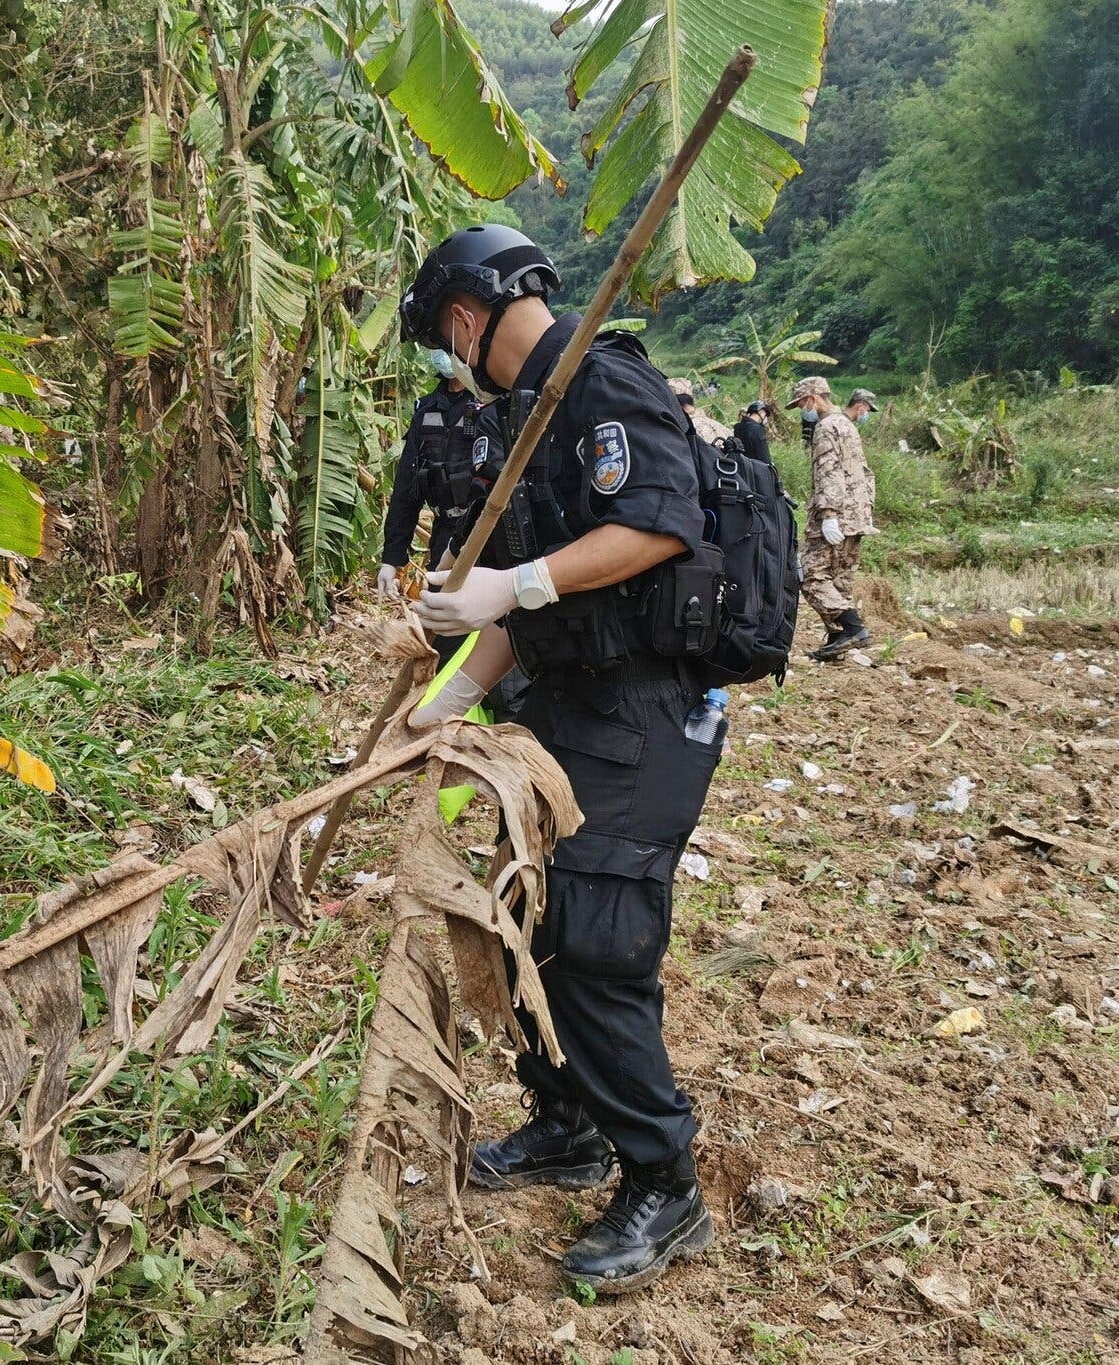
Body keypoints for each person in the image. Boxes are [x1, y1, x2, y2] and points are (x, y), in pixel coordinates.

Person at [398, 223, 721, 1293]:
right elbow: (514, 619)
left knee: (594, 936)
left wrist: (515, 582)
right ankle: (566, 1122)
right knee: (528, 911)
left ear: (461, 318)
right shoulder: (524, 420)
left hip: (646, 712)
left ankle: (664, 1185)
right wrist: (441, 707)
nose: (446, 368)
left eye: (440, 347)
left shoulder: (598, 381)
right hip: (566, 704)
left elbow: (658, 525)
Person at [377, 357, 481, 665]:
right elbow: (406, 491)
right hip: (445, 535)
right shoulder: (427, 409)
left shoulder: (489, 405)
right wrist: (392, 560)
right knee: (443, 629)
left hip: (483, 535)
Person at [788, 376, 876, 661]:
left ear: (813, 397)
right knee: (838, 580)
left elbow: (829, 471)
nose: (802, 408)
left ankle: (852, 628)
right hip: (856, 515)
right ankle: (839, 638)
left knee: (811, 576)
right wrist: (864, 512)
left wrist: (828, 515)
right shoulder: (846, 425)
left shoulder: (825, 427)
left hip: (836, 515)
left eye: (802, 402)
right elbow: (865, 474)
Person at [734, 398, 771, 465]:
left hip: (739, 466)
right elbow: (765, 458)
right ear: (761, 412)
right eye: (766, 415)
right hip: (754, 469)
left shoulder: (737, 427)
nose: (766, 419)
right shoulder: (758, 429)